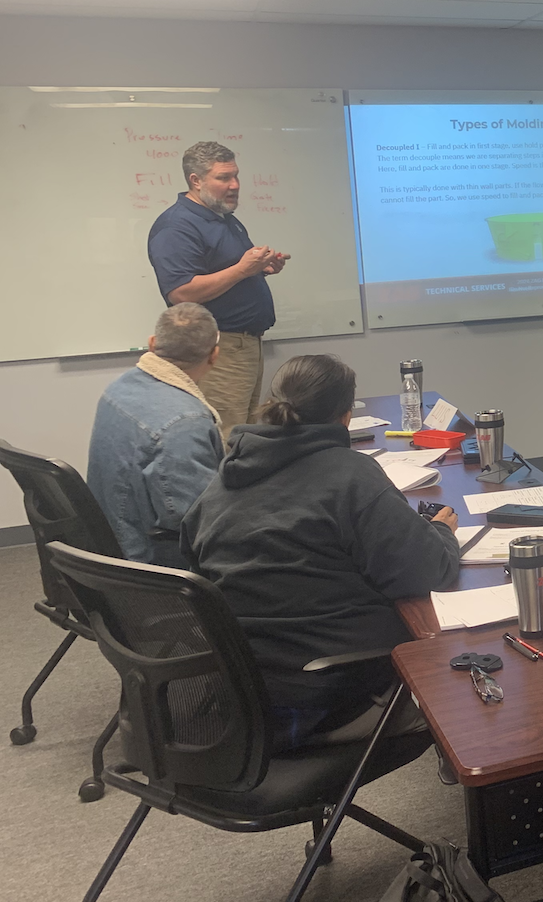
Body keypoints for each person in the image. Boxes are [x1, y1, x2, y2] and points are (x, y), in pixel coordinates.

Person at [180, 353, 460, 749]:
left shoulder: (225, 478)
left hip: (241, 692)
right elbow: (427, 571)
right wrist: (440, 532)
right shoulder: (350, 475)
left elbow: (193, 568)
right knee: (465, 676)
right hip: (329, 693)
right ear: (345, 417)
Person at [147, 140, 290, 440]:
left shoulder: (225, 220)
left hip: (246, 346)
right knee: (227, 439)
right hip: (218, 351)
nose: (235, 185)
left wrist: (263, 266)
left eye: (236, 176)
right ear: (195, 181)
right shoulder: (177, 226)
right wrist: (242, 269)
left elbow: (235, 270)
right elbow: (182, 292)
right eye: (223, 178)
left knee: (245, 436)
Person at [86, 303, 223, 568]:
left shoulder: (118, 388)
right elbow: (195, 521)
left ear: (152, 343)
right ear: (214, 355)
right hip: (150, 563)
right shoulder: (185, 423)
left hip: (111, 540)